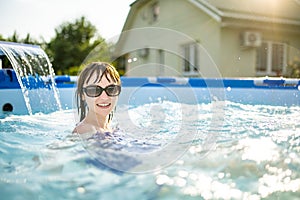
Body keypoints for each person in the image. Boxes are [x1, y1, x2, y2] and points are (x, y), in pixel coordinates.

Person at [72, 62, 121, 134]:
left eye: (111, 89)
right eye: (94, 90)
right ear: (82, 95)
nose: (104, 98)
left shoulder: (111, 126)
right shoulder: (85, 130)